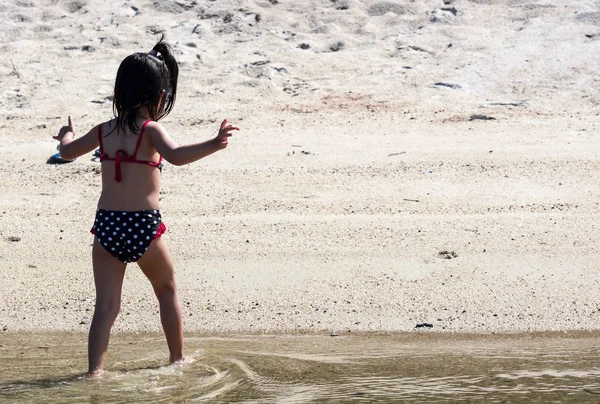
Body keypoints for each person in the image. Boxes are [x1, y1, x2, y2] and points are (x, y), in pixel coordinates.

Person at [52, 37, 239, 376]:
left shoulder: (104, 130)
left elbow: (66, 153)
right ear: (161, 96)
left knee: (106, 307)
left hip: (107, 226)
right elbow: (179, 156)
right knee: (166, 289)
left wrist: (66, 133)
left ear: (119, 92)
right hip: (143, 227)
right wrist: (214, 143)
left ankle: (94, 373)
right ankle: (177, 359)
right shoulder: (150, 130)